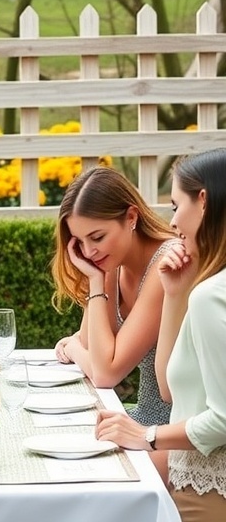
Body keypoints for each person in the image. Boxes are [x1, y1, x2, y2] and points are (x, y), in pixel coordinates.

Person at [96, 149, 226, 522]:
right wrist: (174, 293)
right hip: (196, 488)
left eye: (176, 204)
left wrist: (145, 437)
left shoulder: (215, 295)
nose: (170, 221)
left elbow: (221, 418)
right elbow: (173, 391)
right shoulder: (203, 290)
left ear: (203, 201)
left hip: (206, 497)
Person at [52, 165, 175, 427]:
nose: (88, 251)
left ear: (131, 217)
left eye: (97, 237)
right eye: (79, 241)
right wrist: (99, 277)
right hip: (141, 420)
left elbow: (105, 373)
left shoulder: (167, 262)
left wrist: (73, 348)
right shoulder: (113, 263)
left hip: (172, 431)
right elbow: (91, 345)